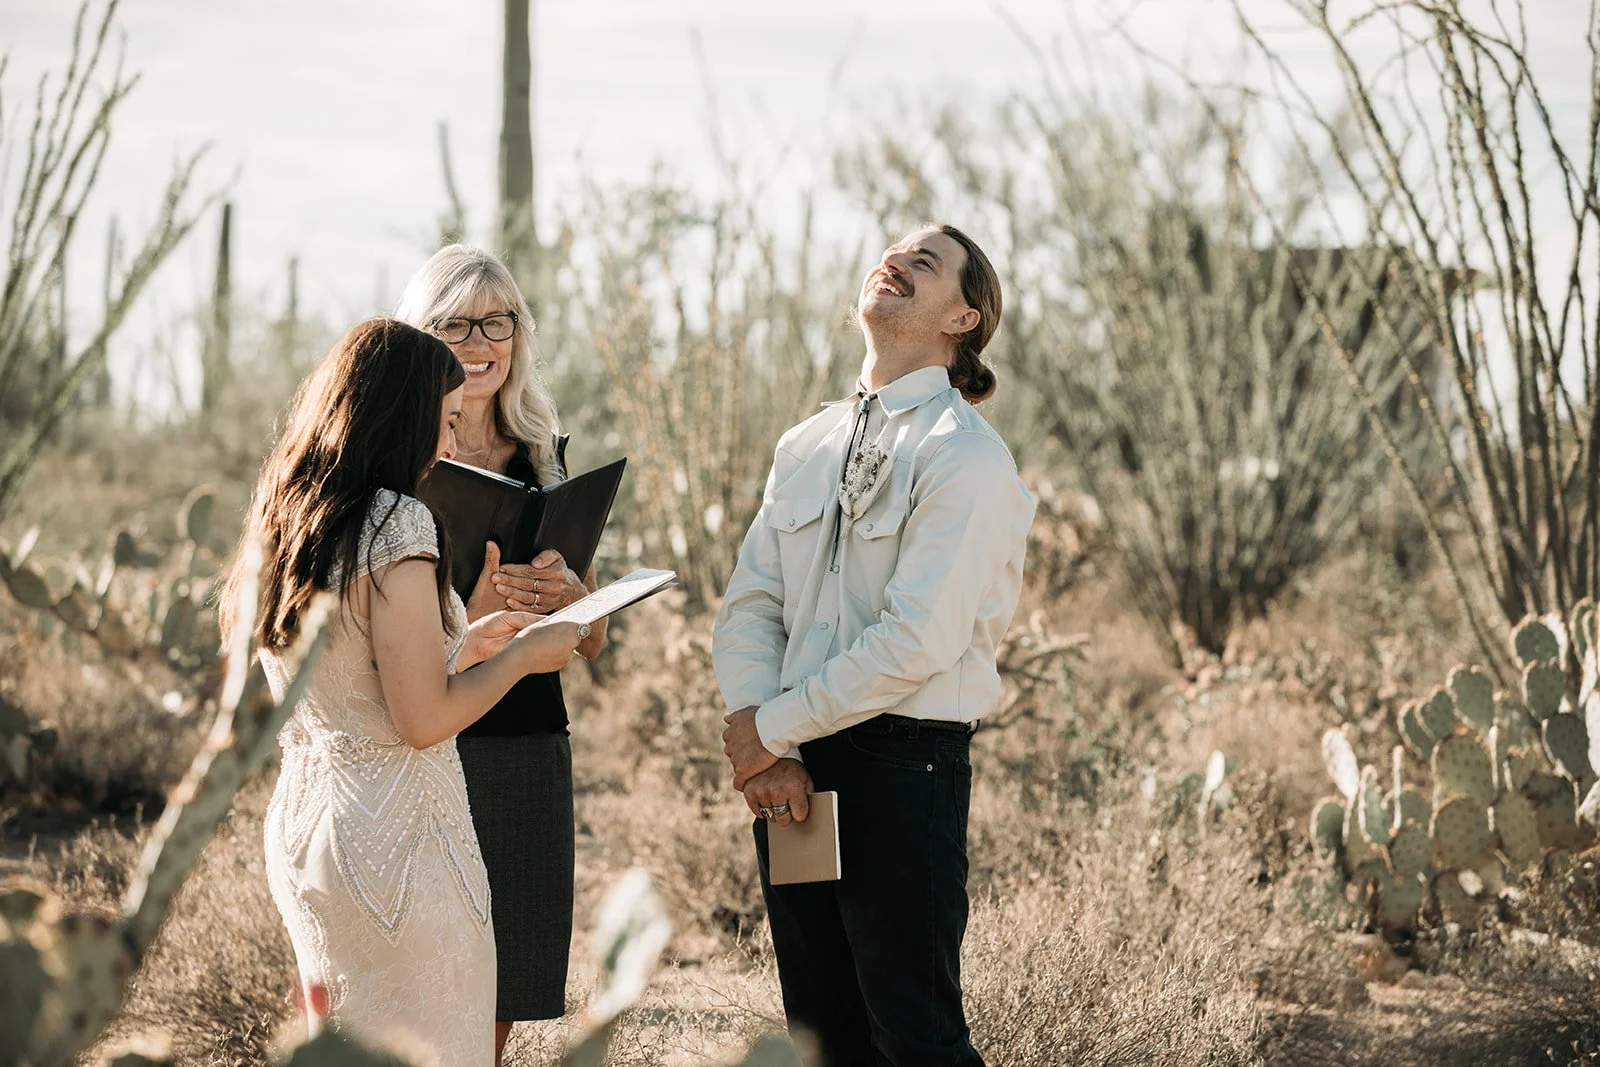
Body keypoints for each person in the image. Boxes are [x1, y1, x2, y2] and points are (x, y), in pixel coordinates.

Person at [220, 318, 585, 1066]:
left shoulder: (287, 517)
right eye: (446, 421)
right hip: (403, 843)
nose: (452, 445)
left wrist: (465, 640)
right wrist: (523, 655)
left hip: (306, 832)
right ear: (402, 415)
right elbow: (422, 720)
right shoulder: (399, 520)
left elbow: (349, 671)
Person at [712, 225, 1035, 1067]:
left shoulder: (964, 457)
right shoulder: (804, 444)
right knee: (820, 1033)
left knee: (915, 1034)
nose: (893, 260)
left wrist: (773, 725)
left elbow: (917, 640)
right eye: (892, 251)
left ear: (963, 318)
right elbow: (751, 603)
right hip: (791, 770)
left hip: (903, 770)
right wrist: (767, 743)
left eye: (923, 262)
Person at [395, 245, 606, 1063]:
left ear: (519, 333)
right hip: (430, 737)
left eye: (497, 320)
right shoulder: (395, 461)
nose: (478, 341)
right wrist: (468, 620)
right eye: (454, 323)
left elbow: (592, 638)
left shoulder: (545, 453)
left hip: (527, 743)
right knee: (425, 977)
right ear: (423, 333)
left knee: (505, 979)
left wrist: (572, 600)